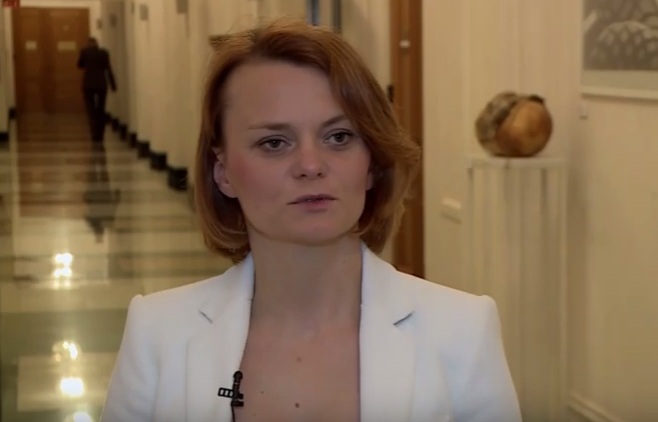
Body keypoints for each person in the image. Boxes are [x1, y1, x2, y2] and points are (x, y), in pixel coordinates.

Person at [100, 18, 521, 422]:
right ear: (222, 171)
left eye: (339, 137)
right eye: (274, 142)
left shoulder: (462, 331)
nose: (311, 165)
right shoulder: (158, 334)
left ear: (372, 162)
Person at [77, 37, 116, 142]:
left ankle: (94, 134)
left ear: (88, 44)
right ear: (97, 44)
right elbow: (108, 69)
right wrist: (113, 85)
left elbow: (79, 65)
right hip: (101, 84)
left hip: (88, 85)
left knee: (91, 110)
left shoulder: (84, 52)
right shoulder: (104, 53)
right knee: (101, 109)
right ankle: (100, 134)